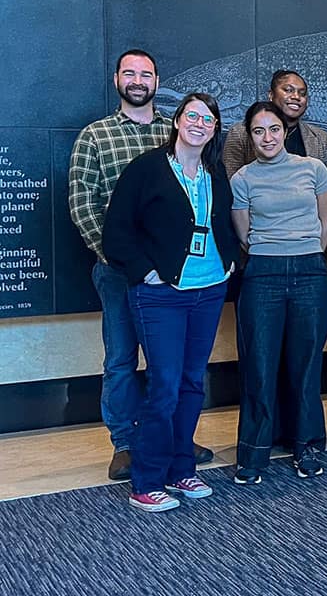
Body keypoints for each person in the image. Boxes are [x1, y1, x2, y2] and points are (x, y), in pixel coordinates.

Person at [102, 93, 238, 512]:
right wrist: (146, 272)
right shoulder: (147, 169)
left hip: (209, 289)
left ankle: (182, 470)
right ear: (177, 121)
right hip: (160, 295)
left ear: (214, 129)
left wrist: (230, 263)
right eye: (192, 115)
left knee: (192, 382)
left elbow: (223, 223)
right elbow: (116, 232)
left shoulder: (214, 174)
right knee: (163, 384)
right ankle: (147, 479)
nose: (199, 123)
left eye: (208, 119)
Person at [68, 49, 187, 482]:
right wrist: (121, 259)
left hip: (172, 274)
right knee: (120, 359)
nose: (138, 81)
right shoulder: (95, 136)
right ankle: (124, 443)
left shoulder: (176, 134)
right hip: (118, 272)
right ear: (116, 79)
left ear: (157, 80)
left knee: (167, 361)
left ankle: (171, 437)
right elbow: (83, 204)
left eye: (146, 74)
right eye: (130, 73)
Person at [230, 102, 327, 484]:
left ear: (285, 131)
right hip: (263, 274)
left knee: (306, 366)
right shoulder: (242, 178)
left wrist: (307, 249)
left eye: (273, 129)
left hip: (310, 271)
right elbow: (243, 232)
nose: (267, 138)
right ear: (250, 136)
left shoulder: (314, 169)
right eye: (259, 131)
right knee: (259, 367)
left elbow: (326, 219)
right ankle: (253, 454)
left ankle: (307, 446)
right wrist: (273, 251)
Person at [222, 69, 327, 177]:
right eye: (288, 90)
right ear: (271, 95)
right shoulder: (240, 133)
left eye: (302, 93)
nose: (296, 96)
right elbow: (232, 183)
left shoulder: (321, 139)